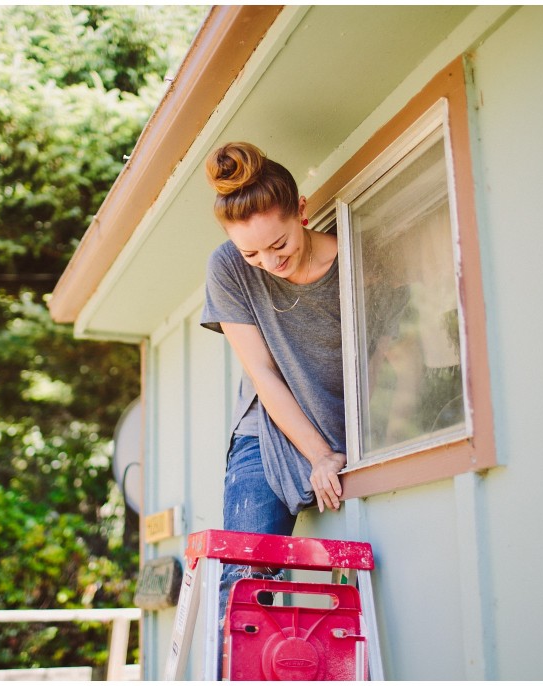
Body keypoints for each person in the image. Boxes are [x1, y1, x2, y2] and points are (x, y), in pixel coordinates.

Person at [199, 142, 346, 636]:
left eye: (278, 244)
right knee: (243, 581)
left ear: (302, 211)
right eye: (251, 252)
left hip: (346, 424)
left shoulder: (354, 257)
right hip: (266, 433)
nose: (267, 261)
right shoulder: (228, 268)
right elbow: (263, 373)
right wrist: (319, 454)